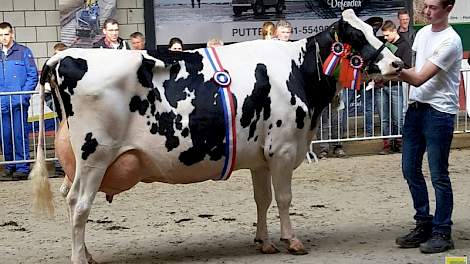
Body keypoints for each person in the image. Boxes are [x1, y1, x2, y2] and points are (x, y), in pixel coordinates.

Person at [396, 0, 462, 254]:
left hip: (439, 113)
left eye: (433, 7)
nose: (427, 11)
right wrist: (397, 70)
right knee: (409, 168)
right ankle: (424, 222)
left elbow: (420, 76)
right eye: (426, 6)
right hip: (416, 108)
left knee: (438, 174)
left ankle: (442, 230)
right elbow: (415, 69)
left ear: (448, 9)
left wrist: (390, 67)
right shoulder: (422, 34)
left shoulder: (451, 41)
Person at [0, 22, 38, 181]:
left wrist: (22, 96)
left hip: (18, 103)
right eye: (1, 35)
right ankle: (10, 166)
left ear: (12, 34)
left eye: (6, 34)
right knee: (5, 135)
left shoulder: (23, 52)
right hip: (2, 103)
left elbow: (32, 76)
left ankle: (22, 167)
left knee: (19, 134)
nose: (4, 38)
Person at [378, 20, 412, 154]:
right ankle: (387, 144)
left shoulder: (404, 46)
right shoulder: (385, 45)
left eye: (387, 35)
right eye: (384, 36)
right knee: (384, 117)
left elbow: (408, 66)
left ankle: (400, 143)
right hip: (381, 86)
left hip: (396, 85)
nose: (385, 38)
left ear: (394, 31)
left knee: (398, 116)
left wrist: (393, 72)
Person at [45, 42, 68, 178]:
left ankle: (67, 165)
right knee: (61, 137)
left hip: (71, 110)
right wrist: (56, 108)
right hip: (60, 109)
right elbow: (47, 92)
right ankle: (61, 165)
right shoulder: (50, 70)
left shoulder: (71, 70)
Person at [316, 87, 346, 159]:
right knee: (323, 123)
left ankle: (337, 147)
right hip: (320, 95)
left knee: (337, 122)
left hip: (336, 94)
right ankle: (324, 149)